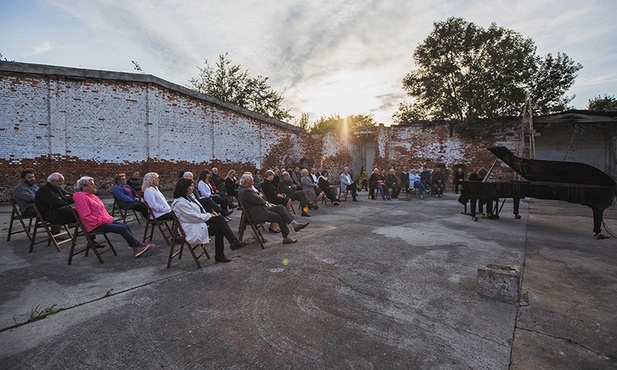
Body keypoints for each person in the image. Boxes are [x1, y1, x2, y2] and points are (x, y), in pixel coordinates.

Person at [73, 176, 153, 257]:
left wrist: (106, 218)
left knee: (125, 226)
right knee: (122, 228)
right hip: (94, 224)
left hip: (103, 220)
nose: (94, 186)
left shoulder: (92, 196)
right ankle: (138, 246)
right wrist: (100, 220)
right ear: (84, 187)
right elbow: (85, 216)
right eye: (91, 185)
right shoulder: (82, 198)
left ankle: (136, 247)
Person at [171, 178, 246, 263]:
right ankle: (226, 248)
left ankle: (232, 243)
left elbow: (200, 210)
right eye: (191, 186)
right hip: (191, 226)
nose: (193, 187)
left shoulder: (190, 197)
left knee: (219, 220)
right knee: (219, 227)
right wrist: (209, 215)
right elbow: (194, 217)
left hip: (197, 221)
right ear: (185, 188)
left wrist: (210, 213)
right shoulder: (180, 204)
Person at [238, 174, 309, 244]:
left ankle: (295, 224)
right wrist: (260, 198)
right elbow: (259, 200)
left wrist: (260, 198)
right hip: (258, 213)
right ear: (245, 183)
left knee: (280, 207)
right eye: (250, 181)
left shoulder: (245, 189)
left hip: (261, 208)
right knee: (280, 217)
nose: (252, 183)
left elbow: (258, 198)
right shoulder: (245, 191)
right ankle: (286, 237)